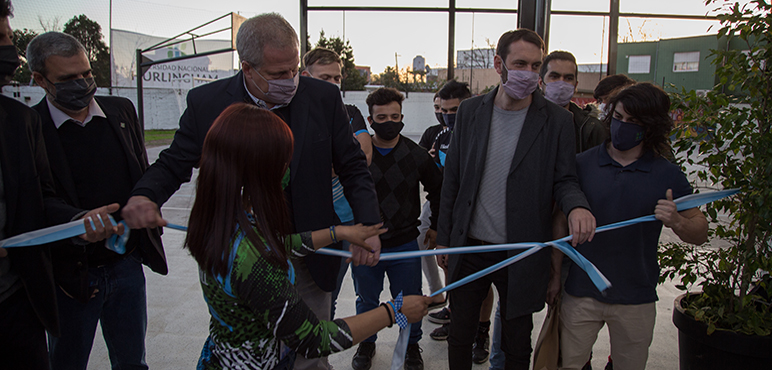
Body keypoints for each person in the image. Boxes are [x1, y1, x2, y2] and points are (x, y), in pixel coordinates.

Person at [120, 13, 381, 370]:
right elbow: (174, 161)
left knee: (309, 355)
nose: (291, 80)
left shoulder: (322, 97)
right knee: (263, 340)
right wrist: (145, 195)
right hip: (246, 246)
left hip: (310, 251)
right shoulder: (207, 103)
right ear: (247, 68)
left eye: (294, 68)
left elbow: (352, 165)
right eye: (278, 74)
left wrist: (366, 226)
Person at [186, 103, 431, 369]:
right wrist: (393, 312)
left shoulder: (222, 219)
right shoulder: (252, 259)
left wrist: (339, 231)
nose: (289, 171)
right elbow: (314, 339)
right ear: (259, 168)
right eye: (283, 161)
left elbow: (278, 244)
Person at [435, 29, 596, 370]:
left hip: (522, 252)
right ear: (499, 64)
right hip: (470, 249)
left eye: (535, 65)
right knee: (460, 336)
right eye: (519, 63)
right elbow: (453, 182)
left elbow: (565, 180)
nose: (529, 73)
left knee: (517, 343)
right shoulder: (469, 112)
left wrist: (577, 205)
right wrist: (446, 241)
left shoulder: (558, 121)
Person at [26, 31, 167, 369]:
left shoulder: (121, 110)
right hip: (71, 277)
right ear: (40, 80)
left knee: (133, 362)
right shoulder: (30, 127)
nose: (83, 83)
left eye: (87, 74)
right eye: (68, 78)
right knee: (67, 362)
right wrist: (77, 221)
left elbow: (141, 171)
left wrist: (146, 198)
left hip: (126, 264)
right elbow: (33, 200)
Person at [0, 2, 122, 367]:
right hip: (68, 278)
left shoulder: (16, 122)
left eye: (7, 36)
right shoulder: (36, 121)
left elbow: (37, 202)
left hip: (15, 306)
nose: (9, 50)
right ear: (40, 80)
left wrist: (79, 222)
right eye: (1, 38)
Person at [556, 83, 708, 370]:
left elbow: (700, 231)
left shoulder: (667, 174)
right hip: (581, 292)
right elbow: (556, 220)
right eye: (618, 117)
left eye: (633, 122)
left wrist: (676, 220)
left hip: (636, 296)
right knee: (569, 364)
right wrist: (553, 276)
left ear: (650, 126)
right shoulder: (582, 164)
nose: (621, 126)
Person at [350, 88, 443, 370]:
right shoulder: (358, 158)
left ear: (402, 117)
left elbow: (438, 189)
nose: (389, 121)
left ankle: (410, 342)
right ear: (370, 120)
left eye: (394, 116)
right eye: (381, 117)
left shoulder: (416, 156)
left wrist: (436, 225)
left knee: (408, 299)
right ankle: (367, 341)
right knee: (366, 298)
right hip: (367, 243)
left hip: (404, 243)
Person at [300, 47, 371, 319]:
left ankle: (320, 355)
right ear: (305, 76)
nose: (333, 85)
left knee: (326, 293)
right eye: (325, 78)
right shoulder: (292, 113)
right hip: (303, 221)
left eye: (337, 79)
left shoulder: (350, 112)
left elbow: (362, 156)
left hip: (343, 220)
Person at [539, 50, 607, 153]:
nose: (561, 83)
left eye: (568, 78)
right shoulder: (525, 120)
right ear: (540, 82)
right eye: (554, 76)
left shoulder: (591, 129)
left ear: (575, 86)